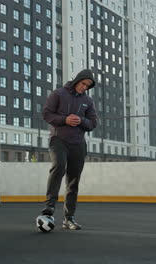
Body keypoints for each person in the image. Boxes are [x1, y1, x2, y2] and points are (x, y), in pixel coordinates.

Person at [41, 69, 97, 230]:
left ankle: (68, 218)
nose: (85, 87)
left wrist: (81, 121)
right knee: (59, 167)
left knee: (73, 181)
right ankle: (50, 206)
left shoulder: (88, 101)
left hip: (78, 144)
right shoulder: (58, 94)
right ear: (77, 80)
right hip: (58, 139)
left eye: (88, 86)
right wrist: (65, 119)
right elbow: (46, 114)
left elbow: (93, 123)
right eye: (83, 83)